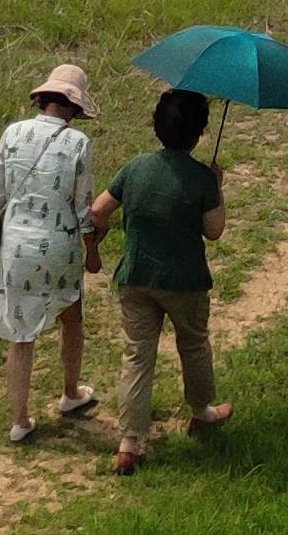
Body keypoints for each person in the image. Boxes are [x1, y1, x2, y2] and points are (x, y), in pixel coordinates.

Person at [92, 86, 232, 474]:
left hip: (135, 276)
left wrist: (98, 240)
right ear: (200, 132)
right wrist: (217, 188)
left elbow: (98, 210)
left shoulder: (135, 167)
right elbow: (214, 230)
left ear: (156, 126)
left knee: (137, 355)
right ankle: (202, 412)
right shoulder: (201, 178)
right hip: (185, 281)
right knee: (194, 345)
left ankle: (130, 441)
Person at [0, 61, 100, 442]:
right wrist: (92, 249)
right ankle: (70, 392)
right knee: (71, 317)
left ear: (43, 98)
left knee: (21, 333)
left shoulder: (13, 133)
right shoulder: (79, 143)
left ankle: (20, 419)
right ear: (75, 106)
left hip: (16, 247)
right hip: (60, 246)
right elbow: (83, 206)